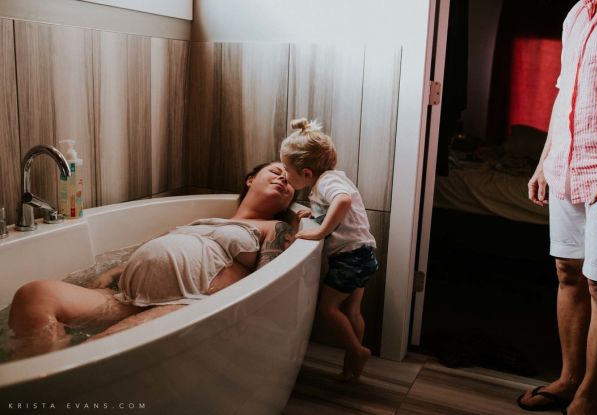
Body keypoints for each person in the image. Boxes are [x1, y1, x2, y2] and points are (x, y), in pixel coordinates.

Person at [8, 162, 296, 359]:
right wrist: (112, 272)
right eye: (275, 171)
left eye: (290, 181)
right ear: (250, 180)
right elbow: (149, 250)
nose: (283, 178)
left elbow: (266, 285)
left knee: (96, 350)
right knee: (35, 295)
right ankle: (39, 384)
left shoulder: (273, 227)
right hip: (128, 296)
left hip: (189, 300)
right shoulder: (203, 221)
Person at [520, 1, 597, 414]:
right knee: (567, 273)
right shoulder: (577, 12)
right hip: (566, 165)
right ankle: (568, 380)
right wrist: (545, 160)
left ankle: (589, 395)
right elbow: (564, 92)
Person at [279, 118, 379, 380]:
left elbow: (343, 201)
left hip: (350, 258)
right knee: (352, 310)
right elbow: (337, 208)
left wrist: (320, 231)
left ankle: (357, 351)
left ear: (306, 173)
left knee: (328, 309)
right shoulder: (330, 180)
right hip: (363, 254)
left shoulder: (325, 182)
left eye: (286, 170)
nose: (284, 175)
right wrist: (315, 214)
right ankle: (351, 368)